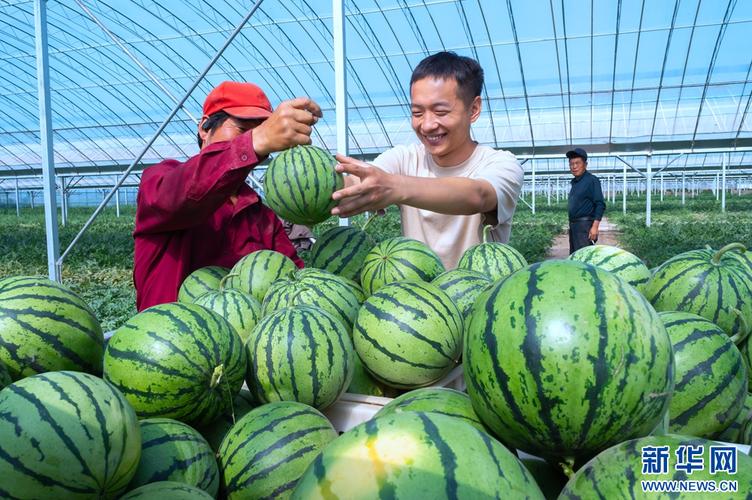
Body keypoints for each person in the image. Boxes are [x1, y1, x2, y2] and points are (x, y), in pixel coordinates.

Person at [133, 81, 321, 311]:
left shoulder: (260, 216)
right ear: (204, 128)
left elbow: (291, 277)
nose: (259, 144)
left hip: (236, 345)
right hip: (168, 340)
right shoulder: (161, 179)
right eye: (243, 130)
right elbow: (179, 195)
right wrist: (253, 142)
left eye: (262, 131)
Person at [330, 52, 523, 269]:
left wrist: (394, 186)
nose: (428, 125)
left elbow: (477, 195)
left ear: (474, 109)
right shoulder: (404, 158)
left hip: (480, 298)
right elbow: (353, 186)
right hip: (415, 300)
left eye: (440, 112)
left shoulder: (501, 164)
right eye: (417, 112)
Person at [566, 147, 605, 254]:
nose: (574, 166)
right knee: (575, 255)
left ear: (585, 164)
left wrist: (595, 227)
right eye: (571, 164)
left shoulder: (592, 180)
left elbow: (600, 204)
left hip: (584, 226)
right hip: (574, 226)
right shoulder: (575, 182)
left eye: (577, 163)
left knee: (583, 257)